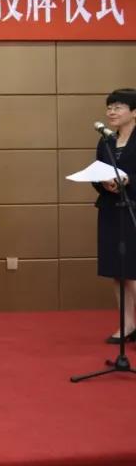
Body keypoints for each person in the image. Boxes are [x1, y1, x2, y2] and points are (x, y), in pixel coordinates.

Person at [92, 88, 136, 344]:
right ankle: (127, 324)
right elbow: (97, 171)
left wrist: (129, 180)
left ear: (134, 112)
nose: (111, 112)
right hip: (111, 208)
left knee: (133, 269)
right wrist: (103, 183)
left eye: (118, 107)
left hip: (133, 208)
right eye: (109, 107)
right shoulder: (106, 141)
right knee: (118, 270)